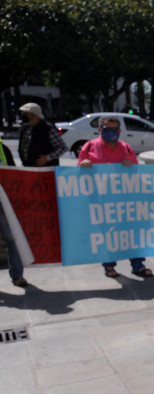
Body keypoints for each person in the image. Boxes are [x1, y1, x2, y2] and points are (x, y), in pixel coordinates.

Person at [78, 116, 153, 279]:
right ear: (99, 130)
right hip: (101, 199)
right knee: (108, 233)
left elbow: (136, 172)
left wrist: (130, 166)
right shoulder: (89, 146)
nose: (111, 133)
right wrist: (83, 165)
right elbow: (78, 172)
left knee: (133, 233)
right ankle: (109, 265)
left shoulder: (126, 148)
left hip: (126, 199)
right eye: (107, 129)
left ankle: (137, 265)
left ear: (119, 131)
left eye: (114, 130)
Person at [0, 136, 27, 287]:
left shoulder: (2, 148)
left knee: (12, 239)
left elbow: (12, 174)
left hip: (3, 203)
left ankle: (17, 275)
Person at [18, 102, 67, 167]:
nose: (24, 116)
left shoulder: (48, 129)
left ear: (35, 116)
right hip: (28, 167)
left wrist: (47, 158)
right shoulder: (24, 128)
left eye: (27, 114)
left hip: (45, 169)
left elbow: (63, 147)